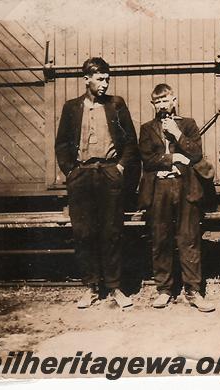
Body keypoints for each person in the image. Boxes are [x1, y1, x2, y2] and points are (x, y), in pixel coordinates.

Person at [55, 57, 138, 309]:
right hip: (82, 176)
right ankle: (90, 287)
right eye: (100, 79)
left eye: (107, 79)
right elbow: (61, 145)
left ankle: (114, 288)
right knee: (84, 233)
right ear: (86, 80)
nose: (104, 84)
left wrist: (120, 168)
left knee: (111, 233)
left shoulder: (116, 105)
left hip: (109, 174)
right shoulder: (71, 107)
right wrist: (71, 172)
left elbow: (131, 143)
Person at [137, 83, 214, 313]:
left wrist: (177, 135)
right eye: (157, 102)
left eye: (165, 100)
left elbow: (196, 153)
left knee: (188, 239)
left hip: (185, 186)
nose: (162, 105)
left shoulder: (188, 125)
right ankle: (164, 290)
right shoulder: (147, 128)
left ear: (174, 100)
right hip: (159, 188)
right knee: (161, 239)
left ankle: (193, 290)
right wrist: (174, 157)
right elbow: (148, 159)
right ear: (154, 104)